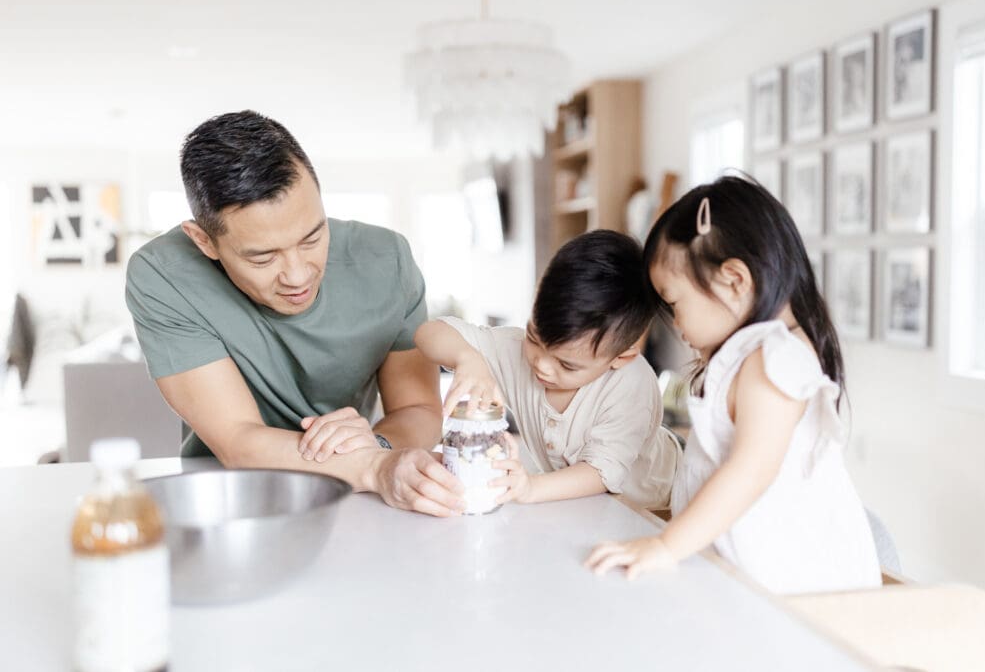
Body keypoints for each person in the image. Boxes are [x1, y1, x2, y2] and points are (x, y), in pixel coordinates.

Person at [125, 110, 464, 517]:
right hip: (231, 499)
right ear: (204, 241)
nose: (298, 275)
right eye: (263, 257)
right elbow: (238, 441)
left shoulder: (386, 260)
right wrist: (374, 466)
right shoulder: (164, 276)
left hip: (359, 502)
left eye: (313, 237)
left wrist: (382, 448)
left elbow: (419, 410)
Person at [586, 176, 880, 594]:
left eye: (673, 302)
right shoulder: (749, 356)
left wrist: (665, 546)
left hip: (804, 591)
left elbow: (752, 469)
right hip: (750, 582)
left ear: (735, 281)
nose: (674, 323)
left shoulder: (773, 357)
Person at [414, 230, 680, 509]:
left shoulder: (630, 384)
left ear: (620, 357)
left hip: (656, 503)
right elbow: (427, 333)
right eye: (533, 337)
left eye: (567, 364)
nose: (541, 364)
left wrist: (530, 487)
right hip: (584, 503)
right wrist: (468, 358)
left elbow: (600, 473)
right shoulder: (515, 350)